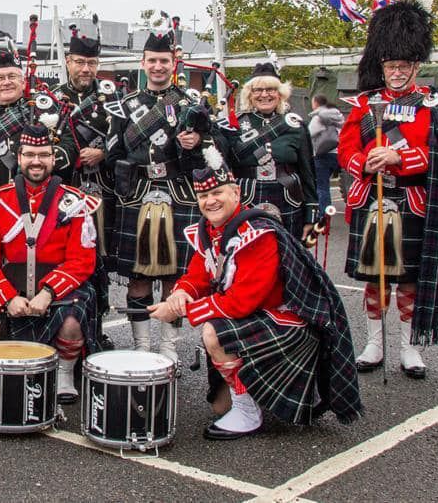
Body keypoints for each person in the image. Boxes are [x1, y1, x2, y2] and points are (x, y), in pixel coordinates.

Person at [149, 146, 362, 439]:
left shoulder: (257, 233)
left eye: (217, 194)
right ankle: (247, 398)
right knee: (219, 407)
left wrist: (180, 310)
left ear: (235, 193)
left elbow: (241, 302)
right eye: (203, 196)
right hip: (255, 316)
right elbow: (198, 274)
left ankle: (250, 412)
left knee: (213, 332)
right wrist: (180, 293)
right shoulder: (210, 230)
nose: (210, 201)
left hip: (285, 321)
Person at [338, 0, 438, 379]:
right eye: (390, 66)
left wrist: (398, 159)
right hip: (371, 198)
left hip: (411, 198)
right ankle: (374, 343)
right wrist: (365, 163)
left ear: (416, 66)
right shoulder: (364, 103)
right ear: (383, 66)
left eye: (403, 66)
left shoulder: (432, 103)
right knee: (374, 277)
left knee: (408, 277)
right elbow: (345, 147)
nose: (395, 72)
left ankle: (409, 347)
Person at [105, 32, 214, 363]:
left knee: (174, 278)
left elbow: (208, 152)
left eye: (163, 60)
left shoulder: (189, 106)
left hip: (178, 195)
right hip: (137, 195)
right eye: (151, 60)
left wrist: (194, 147)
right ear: (143, 63)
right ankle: (142, 345)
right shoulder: (124, 105)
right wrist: (127, 168)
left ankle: (168, 346)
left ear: (173, 63)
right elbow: (113, 151)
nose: (157, 66)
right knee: (138, 277)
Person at [0, 124, 100, 403]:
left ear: (54, 159)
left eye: (43, 155)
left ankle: (65, 373)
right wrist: (6, 298)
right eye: (30, 155)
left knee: (71, 323)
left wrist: (48, 292)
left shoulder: (75, 202)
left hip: (58, 288)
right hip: (13, 289)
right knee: (10, 366)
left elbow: (82, 260)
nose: (36, 161)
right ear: (19, 158)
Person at [0, 50, 79, 342]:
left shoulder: (43, 106)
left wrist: (41, 165)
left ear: (23, 79)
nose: (6, 82)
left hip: (41, 205)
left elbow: (69, 148)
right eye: (0, 78)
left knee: (32, 266)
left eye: (12, 76)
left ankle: (45, 329)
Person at [52, 32, 118, 349]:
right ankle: (64, 328)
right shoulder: (50, 99)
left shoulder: (113, 98)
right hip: (64, 193)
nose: (85, 69)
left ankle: (95, 330)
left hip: (100, 193)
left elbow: (126, 139)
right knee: (64, 260)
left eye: (91, 63)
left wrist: (104, 152)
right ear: (68, 62)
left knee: (97, 264)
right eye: (79, 62)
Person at [219, 62, 319, 239]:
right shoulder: (233, 126)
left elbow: (308, 172)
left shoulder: (295, 125)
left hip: (289, 199)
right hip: (246, 200)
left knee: (288, 261)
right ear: (249, 94)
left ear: (280, 93)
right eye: (258, 90)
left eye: (271, 89)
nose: (264, 94)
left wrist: (311, 214)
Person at [308, 94, 344, 211]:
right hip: (338, 153)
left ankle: (324, 214)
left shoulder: (318, 117)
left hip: (322, 154)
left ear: (316, 103)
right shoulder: (339, 116)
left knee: (322, 186)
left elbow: (309, 134)